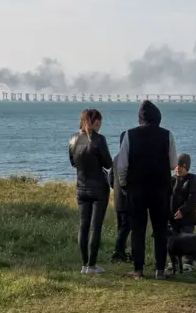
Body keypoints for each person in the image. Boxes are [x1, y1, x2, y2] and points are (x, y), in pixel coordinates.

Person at [116, 100, 178, 280]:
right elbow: (174, 163)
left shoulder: (129, 135)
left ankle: (138, 269)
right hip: (160, 189)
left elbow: (122, 165)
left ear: (140, 118)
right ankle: (160, 269)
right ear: (158, 117)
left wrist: (125, 184)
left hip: (136, 189)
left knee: (138, 230)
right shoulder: (167, 135)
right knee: (160, 230)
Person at [69, 109, 113, 274]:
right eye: (98, 122)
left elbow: (73, 162)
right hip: (99, 189)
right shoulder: (99, 139)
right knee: (95, 227)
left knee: (83, 226)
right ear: (92, 122)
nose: (100, 125)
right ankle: (92, 265)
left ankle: (83, 265)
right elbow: (108, 163)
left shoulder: (73, 139)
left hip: (81, 187)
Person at [166, 153, 196, 272]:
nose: (178, 169)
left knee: (188, 239)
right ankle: (174, 262)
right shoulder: (171, 180)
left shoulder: (192, 180)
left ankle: (189, 262)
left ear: (186, 167)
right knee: (173, 240)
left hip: (187, 217)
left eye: (181, 166)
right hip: (172, 217)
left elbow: (192, 198)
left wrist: (183, 210)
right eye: (176, 166)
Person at [108, 131, 131, 263]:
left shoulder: (116, 158)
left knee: (121, 227)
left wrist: (116, 189)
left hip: (118, 199)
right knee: (126, 227)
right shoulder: (129, 157)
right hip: (127, 198)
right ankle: (118, 252)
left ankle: (121, 251)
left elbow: (110, 178)